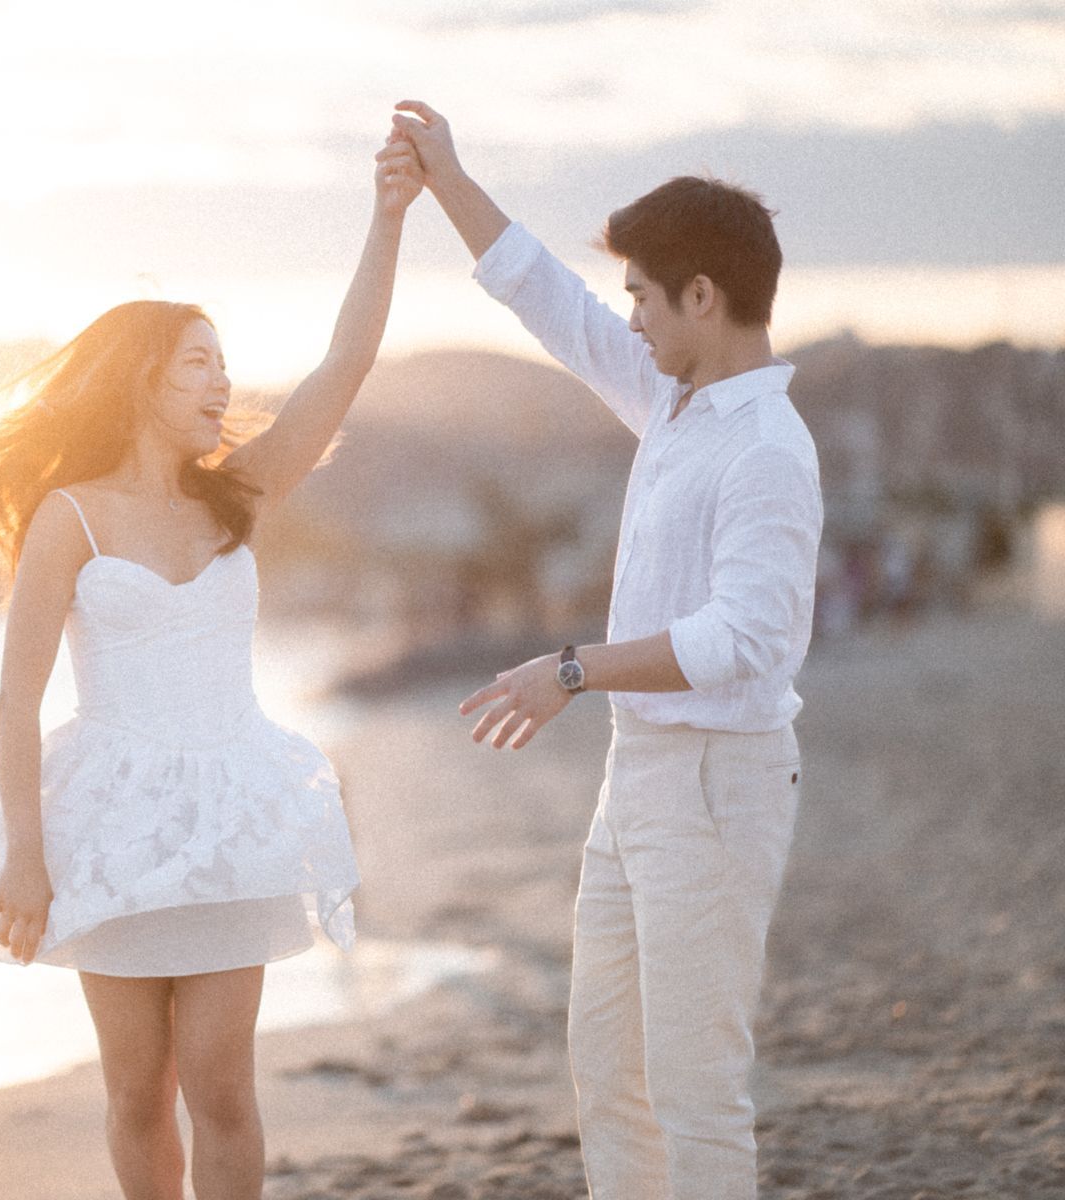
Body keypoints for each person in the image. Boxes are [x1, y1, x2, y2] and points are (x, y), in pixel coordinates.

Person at [0, 138, 424, 1199]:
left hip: (232, 811)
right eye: (199, 362)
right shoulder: (69, 516)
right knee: (137, 1092)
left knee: (222, 1090)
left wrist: (390, 214)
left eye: (223, 362)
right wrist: (27, 856)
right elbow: (14, 698)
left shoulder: (240, 494)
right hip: (114, 824)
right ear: (142, 378)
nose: (223, 380)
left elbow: (344, 365)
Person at [387, 101, 823, 1198]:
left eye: (644, 294)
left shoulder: (766, 447)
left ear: (704, 297)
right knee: (608, 1081)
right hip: (639, 782)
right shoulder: (676, 404)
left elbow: (747, 639)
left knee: (694, 1090)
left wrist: (573, 669)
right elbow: (551, 300)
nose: (627, 318)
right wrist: (447, 178)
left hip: (719, 787)